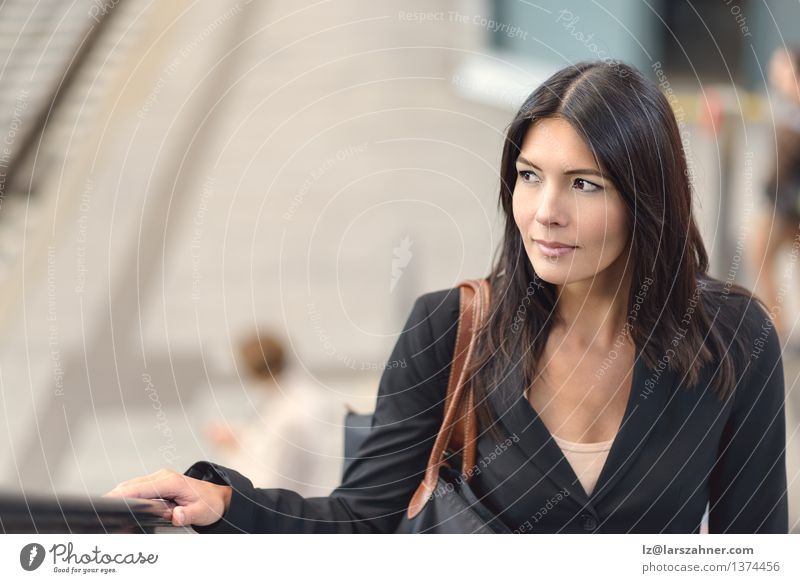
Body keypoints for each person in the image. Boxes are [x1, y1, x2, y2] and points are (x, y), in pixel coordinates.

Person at [105, 60, 788, 533]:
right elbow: (363, 521)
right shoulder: (449, 329)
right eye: (529, 175)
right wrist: (228, 501)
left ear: (647, 199)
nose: (544, 211)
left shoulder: (737, 342)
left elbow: (752, 550)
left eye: (584, 183)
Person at [203, 331, 346, 497]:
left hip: (296, 508)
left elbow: (270, 487)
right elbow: (267, 445)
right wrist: (240, 437)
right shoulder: (308, 397)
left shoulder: (290, 416)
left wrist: (229, 449)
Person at [749, 47, 800, 342]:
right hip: (782, 203)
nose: (773, 70)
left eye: (779, 65)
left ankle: (779, 327)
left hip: (786, 205)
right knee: (760, 255)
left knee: (759, 253)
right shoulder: (785, 105)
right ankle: (780, 326)